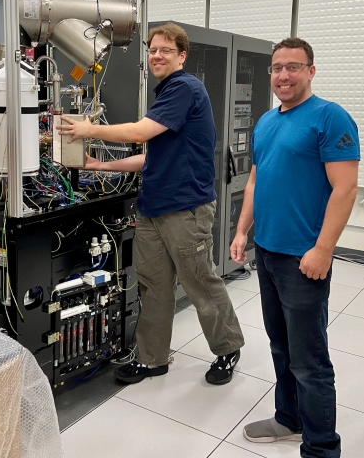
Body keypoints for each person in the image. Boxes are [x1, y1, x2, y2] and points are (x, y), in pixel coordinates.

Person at [58, 22, 245, 385]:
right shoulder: (164, 94)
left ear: (181, 56)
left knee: (199, 282)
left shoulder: (184, 88)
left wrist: (87, 129)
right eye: (152, 49)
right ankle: (152, 358)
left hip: (185, 210)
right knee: (153, 286)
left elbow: (140, 133)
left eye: (165, 50)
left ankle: (227, 347)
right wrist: (101, 165)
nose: (157, 55)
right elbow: (151, 156)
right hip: (152, 208)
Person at [230, 38, 359, 457]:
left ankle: (321, 448)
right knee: (280, 345)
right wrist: (242, 231)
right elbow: (256, 180)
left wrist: (323, 249)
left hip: (303, 258)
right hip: (266, 252)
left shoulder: (329, 117)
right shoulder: (266, 122)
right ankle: (289, 418)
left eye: (293, 67)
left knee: (309, 360)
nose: (283, 75)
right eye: (277, 68)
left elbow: (345, 188)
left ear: (310, 71)